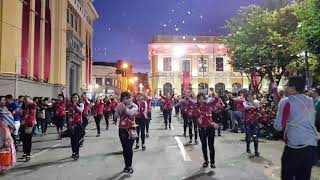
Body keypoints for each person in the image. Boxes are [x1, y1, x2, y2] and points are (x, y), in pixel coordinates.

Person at [274, 76, 318, 180]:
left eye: (287, 86)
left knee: (287, 176)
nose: (285, 88)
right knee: (304, 176)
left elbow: (278, 126)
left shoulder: (286, 101)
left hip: (294, 147)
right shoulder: (310, 100)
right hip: (311, 145)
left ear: (293, 87)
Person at [193, 93, 219, 169]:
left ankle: (213, 162)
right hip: (202, 130)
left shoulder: (209, 106)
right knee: (204, 146)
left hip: (210, 129)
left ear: (205, 99)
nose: (201, 100)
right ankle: (206, 161)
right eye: (199, 98)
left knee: (211, 146)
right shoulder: (196, 107)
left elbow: (217, 101)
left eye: (202, 98)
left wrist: (215, 96)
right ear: (197, 99)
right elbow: (197, 117)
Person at [115, 92, 138, 174]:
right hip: (122, 129)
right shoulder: (119, 105)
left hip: (132, 129)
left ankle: (129, 165)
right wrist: (117, 110)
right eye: (125, 98)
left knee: (129, 148)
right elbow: (116, 115)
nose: (127, 99)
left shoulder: (134, 106)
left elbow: (130, 113)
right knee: (125, 149)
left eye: (128, 97)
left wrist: (124, 107)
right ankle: (126, 165)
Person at [67, 93, 85, 160]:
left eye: (76, 97)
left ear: (78, 98)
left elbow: (81, 110)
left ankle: (77, 153)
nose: (75, 99)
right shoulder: (69, 105)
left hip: (78, 124)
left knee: (77, 139)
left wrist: (75, 106)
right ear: (72, 98)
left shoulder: (81, 104)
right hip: (71, 124)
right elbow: (68, 114)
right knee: (72, 140)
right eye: (73, 97)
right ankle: (74, 152)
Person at [0, 105, 16, 174]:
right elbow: (12, 127)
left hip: (5, 136)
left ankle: (2, 168)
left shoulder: (3, 118)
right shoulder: (7, 116)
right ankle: (3, 168)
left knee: (4, 152)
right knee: (5, 152)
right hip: (6, 136)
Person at [20, 96, 37, 161]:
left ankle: (28, 154)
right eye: (25, 100)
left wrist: (27, 98)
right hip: (24, 124)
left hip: (31, 124)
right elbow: (21, 115)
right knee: (24, 139)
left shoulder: (32, 106)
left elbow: (33, 103)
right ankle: (25, 153)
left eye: (27, 100)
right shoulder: (24, 108)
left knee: (28, 139)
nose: (26, 101)